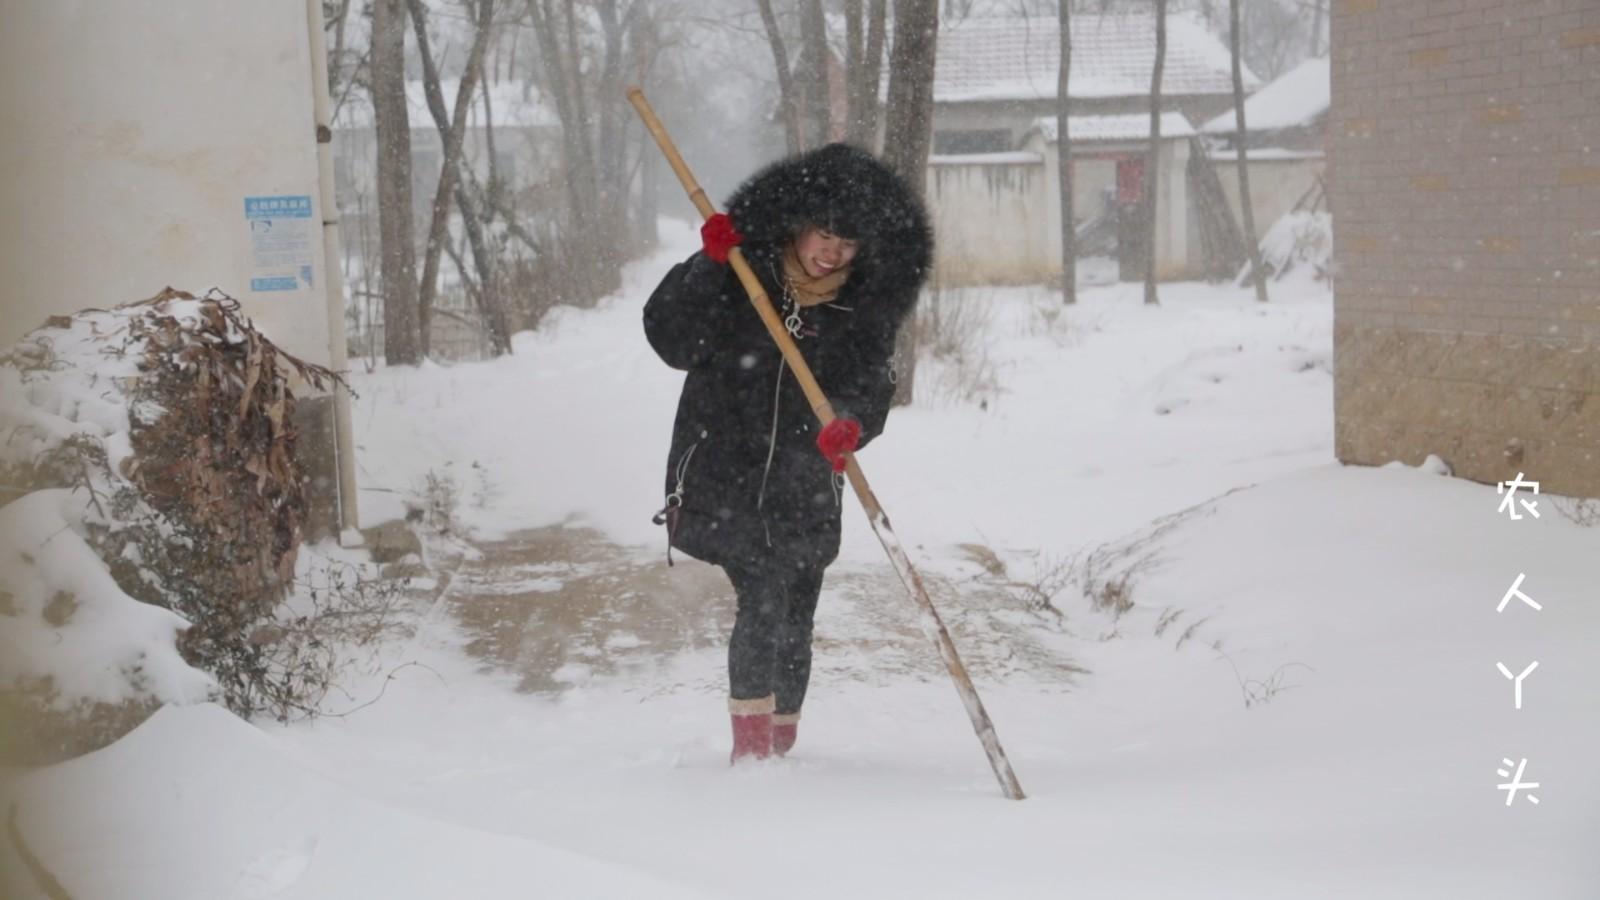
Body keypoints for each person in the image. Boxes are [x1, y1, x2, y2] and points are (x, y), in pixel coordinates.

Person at [643, 142, 932, 763]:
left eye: (847, 243)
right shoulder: (744, 276)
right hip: (729, 471)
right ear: (798, 226)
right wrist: (708, 265)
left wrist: (849, 425)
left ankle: (781, 739)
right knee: (765, 594)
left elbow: (868, 388)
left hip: (804, 483)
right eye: (823, 233)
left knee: (798, 606)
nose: (831, 251)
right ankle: (751, 757)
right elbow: (671, 336)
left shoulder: (859, 312)